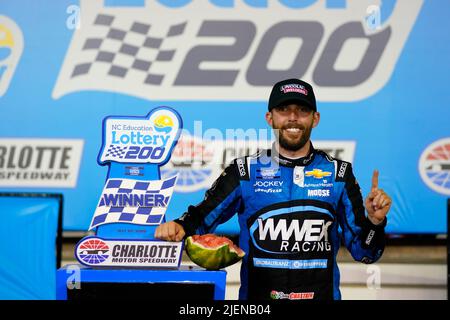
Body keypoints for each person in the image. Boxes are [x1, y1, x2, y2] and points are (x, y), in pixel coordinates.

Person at [155, 78, 392, 300]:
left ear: (315, 118)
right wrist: (180, 226)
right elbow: (202, 217)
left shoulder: (338, 174)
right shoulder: (244, 172)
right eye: (283, 110)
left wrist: (375, 222)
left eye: (302, 110)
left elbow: (366, 253)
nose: (293, 118)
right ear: (270, 117)